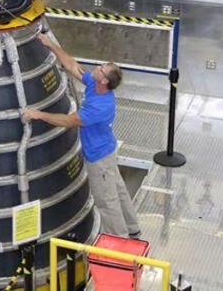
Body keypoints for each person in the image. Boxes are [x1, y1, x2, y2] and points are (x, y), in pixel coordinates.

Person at [22, 33, 141, 239]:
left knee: (107, 201)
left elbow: (70, 121)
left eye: (101, 69)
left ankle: (119, 242)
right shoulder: (96, 86)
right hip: (107, 150)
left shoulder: (100, 106)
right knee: (118, 190)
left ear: (104, 80)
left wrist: (38, 114)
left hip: (98, 158)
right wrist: (51, 44)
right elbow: (72, 66)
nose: (97, 67)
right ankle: (133, 228)